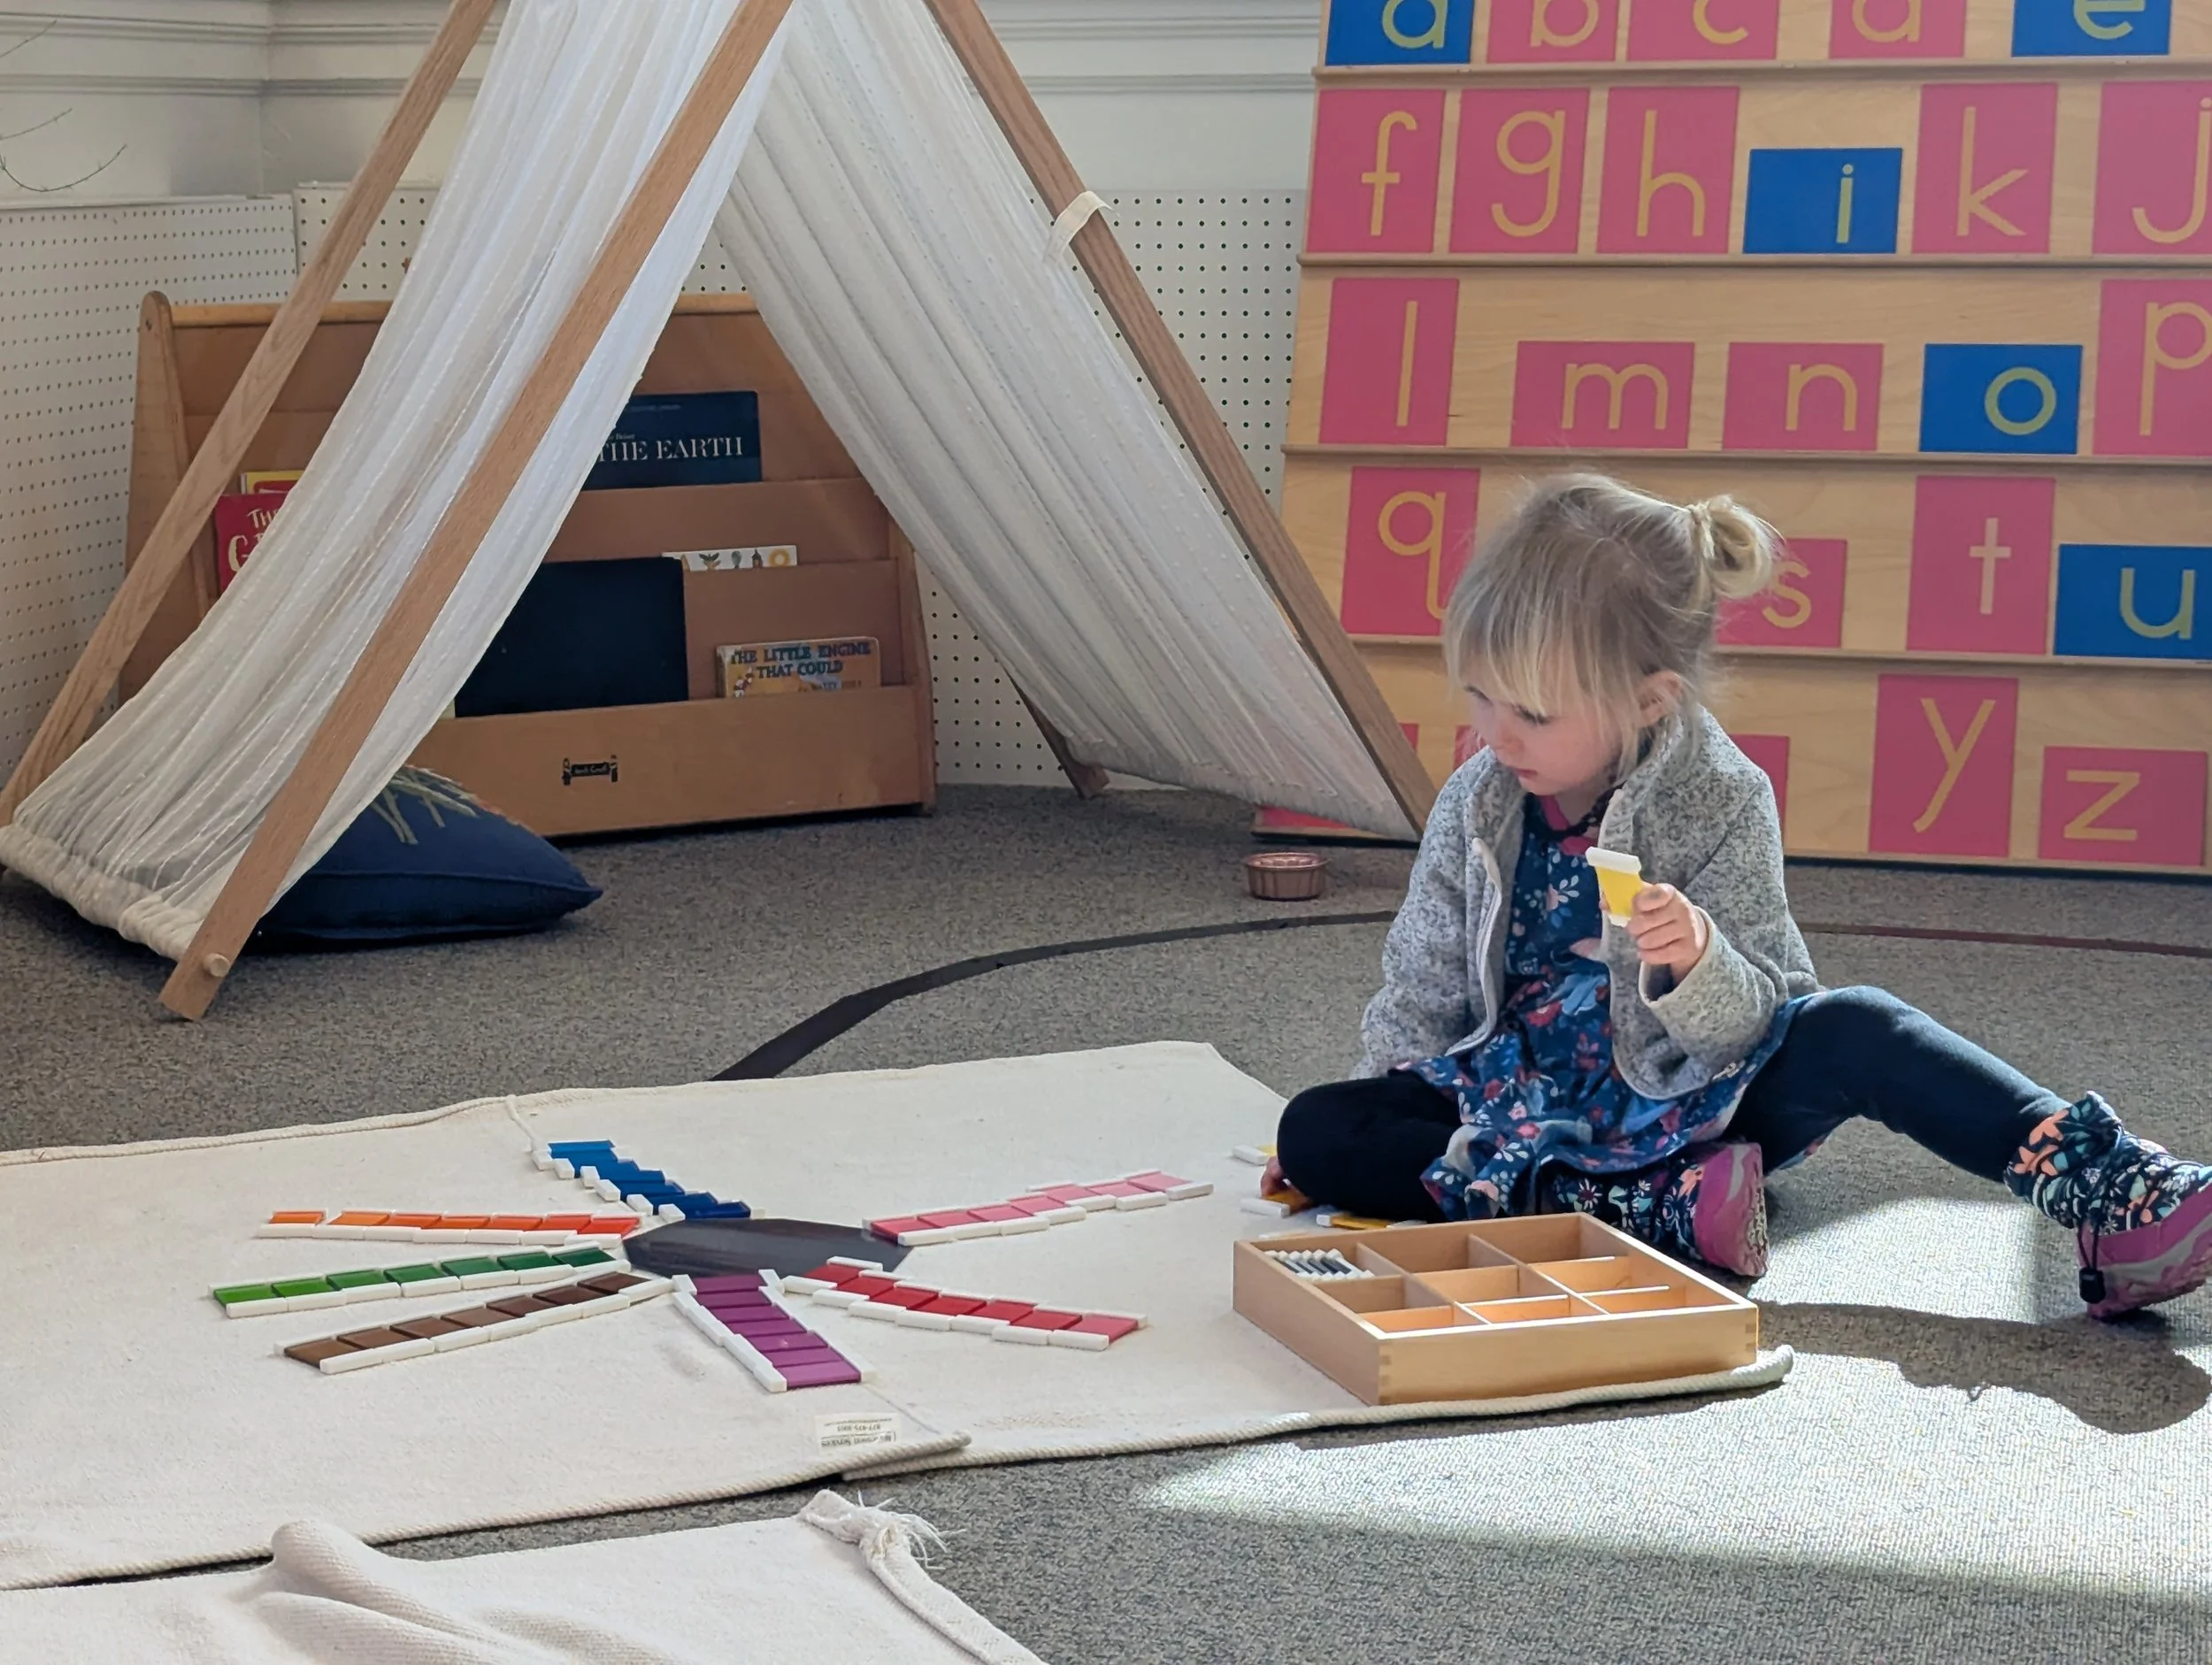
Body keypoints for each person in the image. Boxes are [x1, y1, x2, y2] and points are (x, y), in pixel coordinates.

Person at [1271, 472, 2212, 1318]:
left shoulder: (1720, 796)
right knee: (1316, 1127)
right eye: (1481, 697)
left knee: (1859, 1024)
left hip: (1697, 1094)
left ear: (1648, 700)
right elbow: (1424, 978)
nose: (1494, 734)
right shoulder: (1478, 802)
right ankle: (1646, 1206)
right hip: (1521, 1100)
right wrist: (1373, 1095)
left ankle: (2115, 1188)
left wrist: (1696, 962)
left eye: (1531, 713)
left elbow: (1764, 1011)